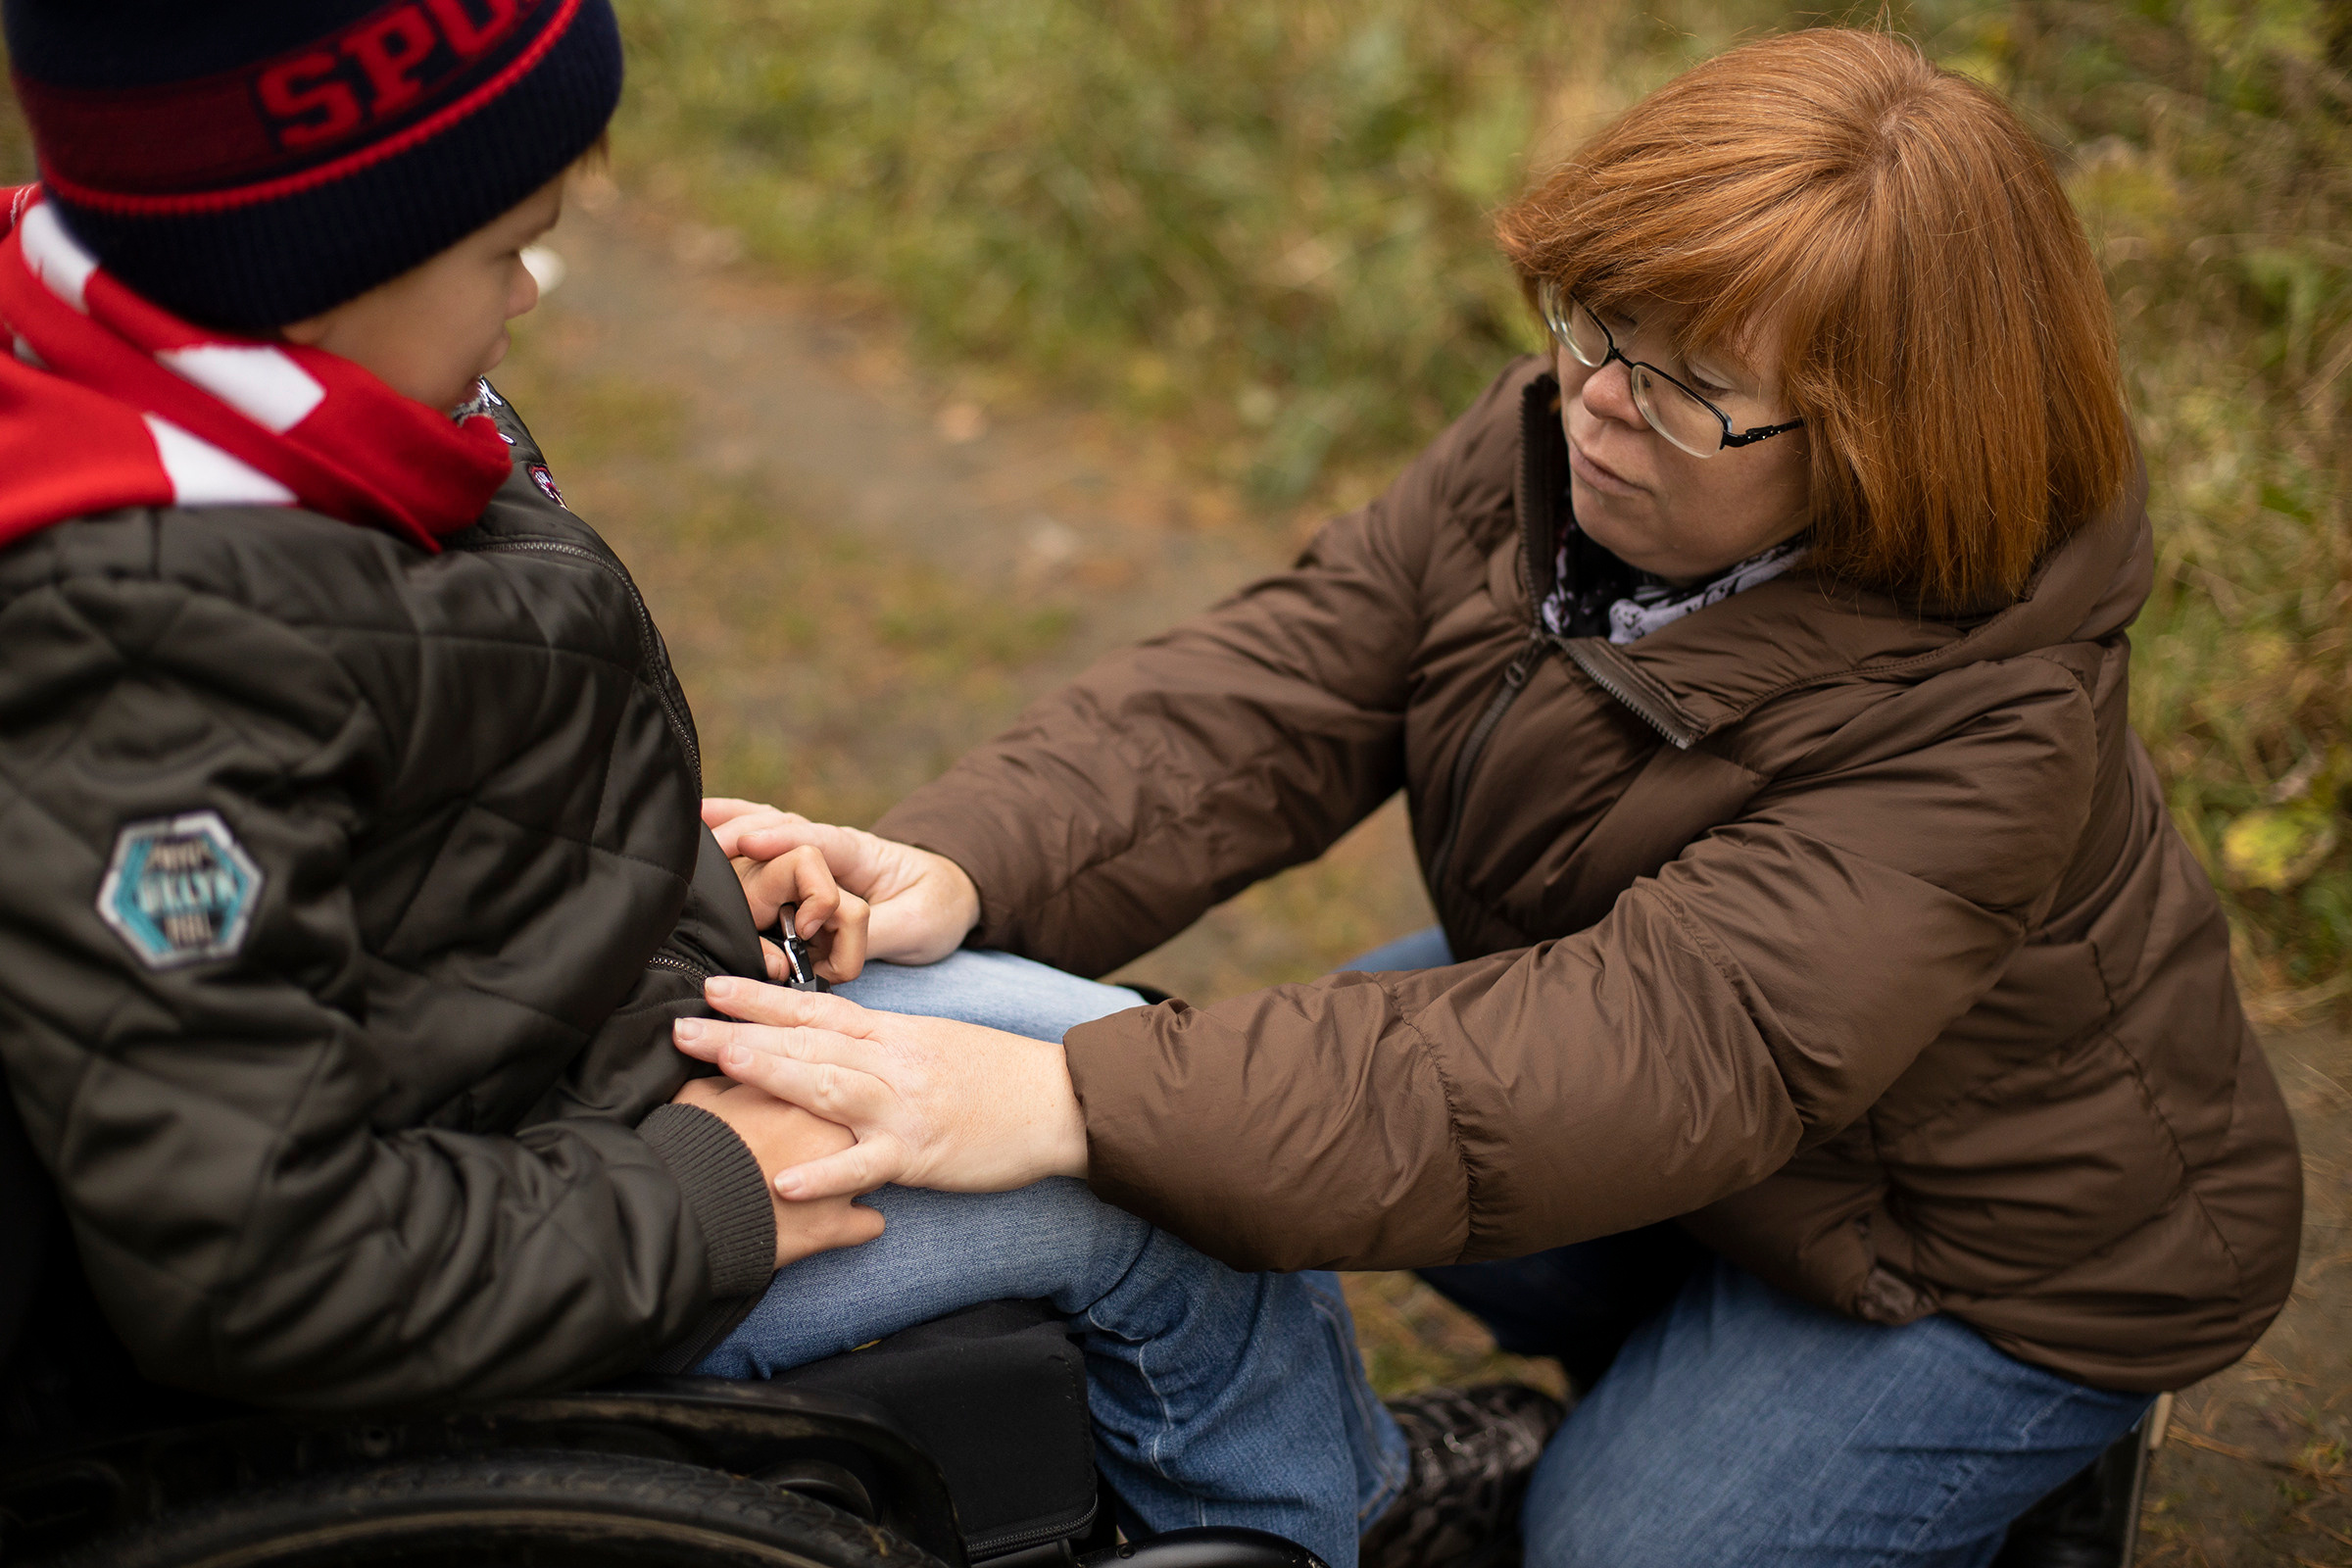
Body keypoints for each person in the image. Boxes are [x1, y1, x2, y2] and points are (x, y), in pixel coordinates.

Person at [679, 27, 2305, 1568]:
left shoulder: (1988, 718)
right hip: (1705, 1121)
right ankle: (1651, 1359)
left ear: (1886, 447)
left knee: (1601, 1540)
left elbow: (1660, 1045)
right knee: (1263, 1136)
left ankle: (2028, 1463)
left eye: (1685, 384)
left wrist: (1068, 1105)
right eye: (1591, 318)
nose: (1597, 396)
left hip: (1978, 1250)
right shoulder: (1578, 444)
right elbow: (1294, 679)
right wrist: (965, 859)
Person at [0, 7, 1535, 1564]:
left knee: (1131, 1063)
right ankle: (1310, 1521)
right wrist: (703, 1191)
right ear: (311, 261)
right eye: (501, 252)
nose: (528, 293)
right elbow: (256, 1262)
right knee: (1169, 1204)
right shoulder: (156, 655)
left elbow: (403, 845)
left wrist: (655, 894)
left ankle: (1317, 1484)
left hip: (553, 1101)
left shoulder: (231, 390)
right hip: (526, 1263)